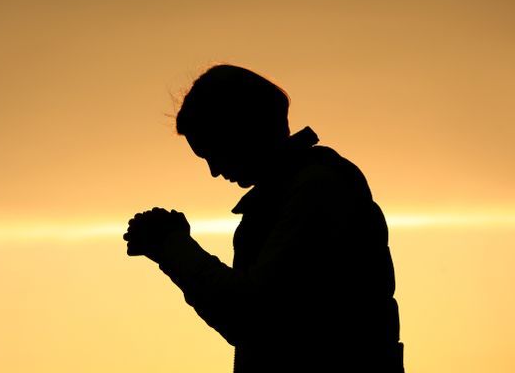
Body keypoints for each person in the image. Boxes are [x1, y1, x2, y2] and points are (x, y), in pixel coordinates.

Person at [123, 64, 405, 372]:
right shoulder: (294, 195)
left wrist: (174, 248)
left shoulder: (317, 192)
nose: (214, 171)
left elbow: (250, 314)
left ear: (242, 132)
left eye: (213, 153)